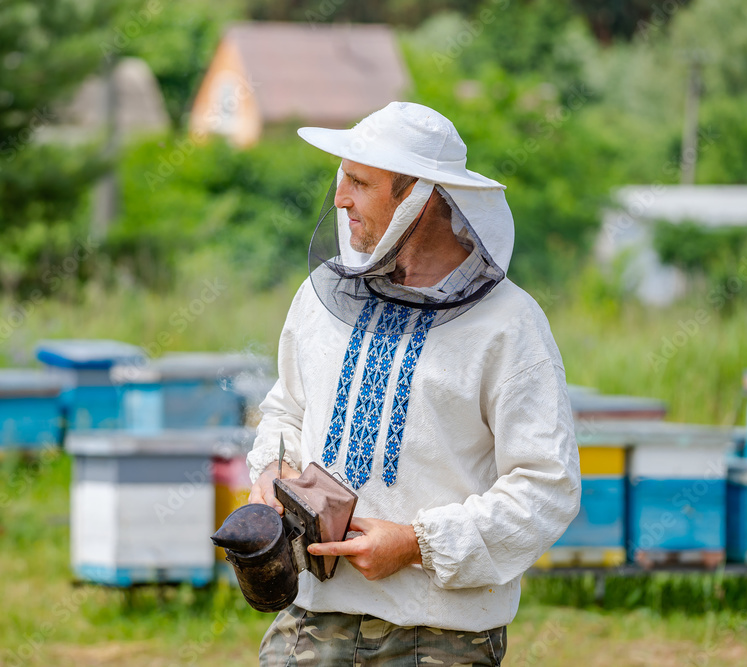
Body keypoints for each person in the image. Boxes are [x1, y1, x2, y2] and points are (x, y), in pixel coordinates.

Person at [246, 101, 581, 666]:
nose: (339, 198)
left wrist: (419, 545)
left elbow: (547, 486)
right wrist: (273, 471)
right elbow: (286, 412)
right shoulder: (318, 300)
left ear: (419, 197)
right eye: (341, 178)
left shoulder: (509, 325)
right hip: (309, 623)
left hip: (439, 640)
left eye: (359, 182)